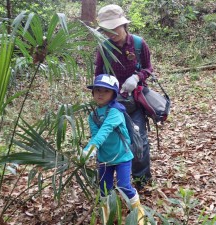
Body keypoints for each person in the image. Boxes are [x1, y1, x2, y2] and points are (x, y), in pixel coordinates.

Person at [94, 4, 152, 189]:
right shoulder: (104, 48)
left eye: (114, 28)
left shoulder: (138, 44)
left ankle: (141, 179)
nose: (111, 33)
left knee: (138, 138)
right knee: (112, 139)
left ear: (123, 25)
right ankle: (110, 180)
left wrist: (137, 77)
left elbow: (148, 68)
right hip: (112, 104)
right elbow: (97, 76)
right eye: (107, 30)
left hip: (135, 100)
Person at [81, 74, 148, 225]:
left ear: (113, 94)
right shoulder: (93, 116)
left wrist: (89, 149)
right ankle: (108, 215)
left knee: (124, 186)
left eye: (105, 91)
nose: (100, 94)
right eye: (97, 90)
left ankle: (139, 214)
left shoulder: (116, 112)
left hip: (122, 156)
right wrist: (91, 150)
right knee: (104, 189)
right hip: (104, 158)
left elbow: (105, 130)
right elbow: (96, 135)